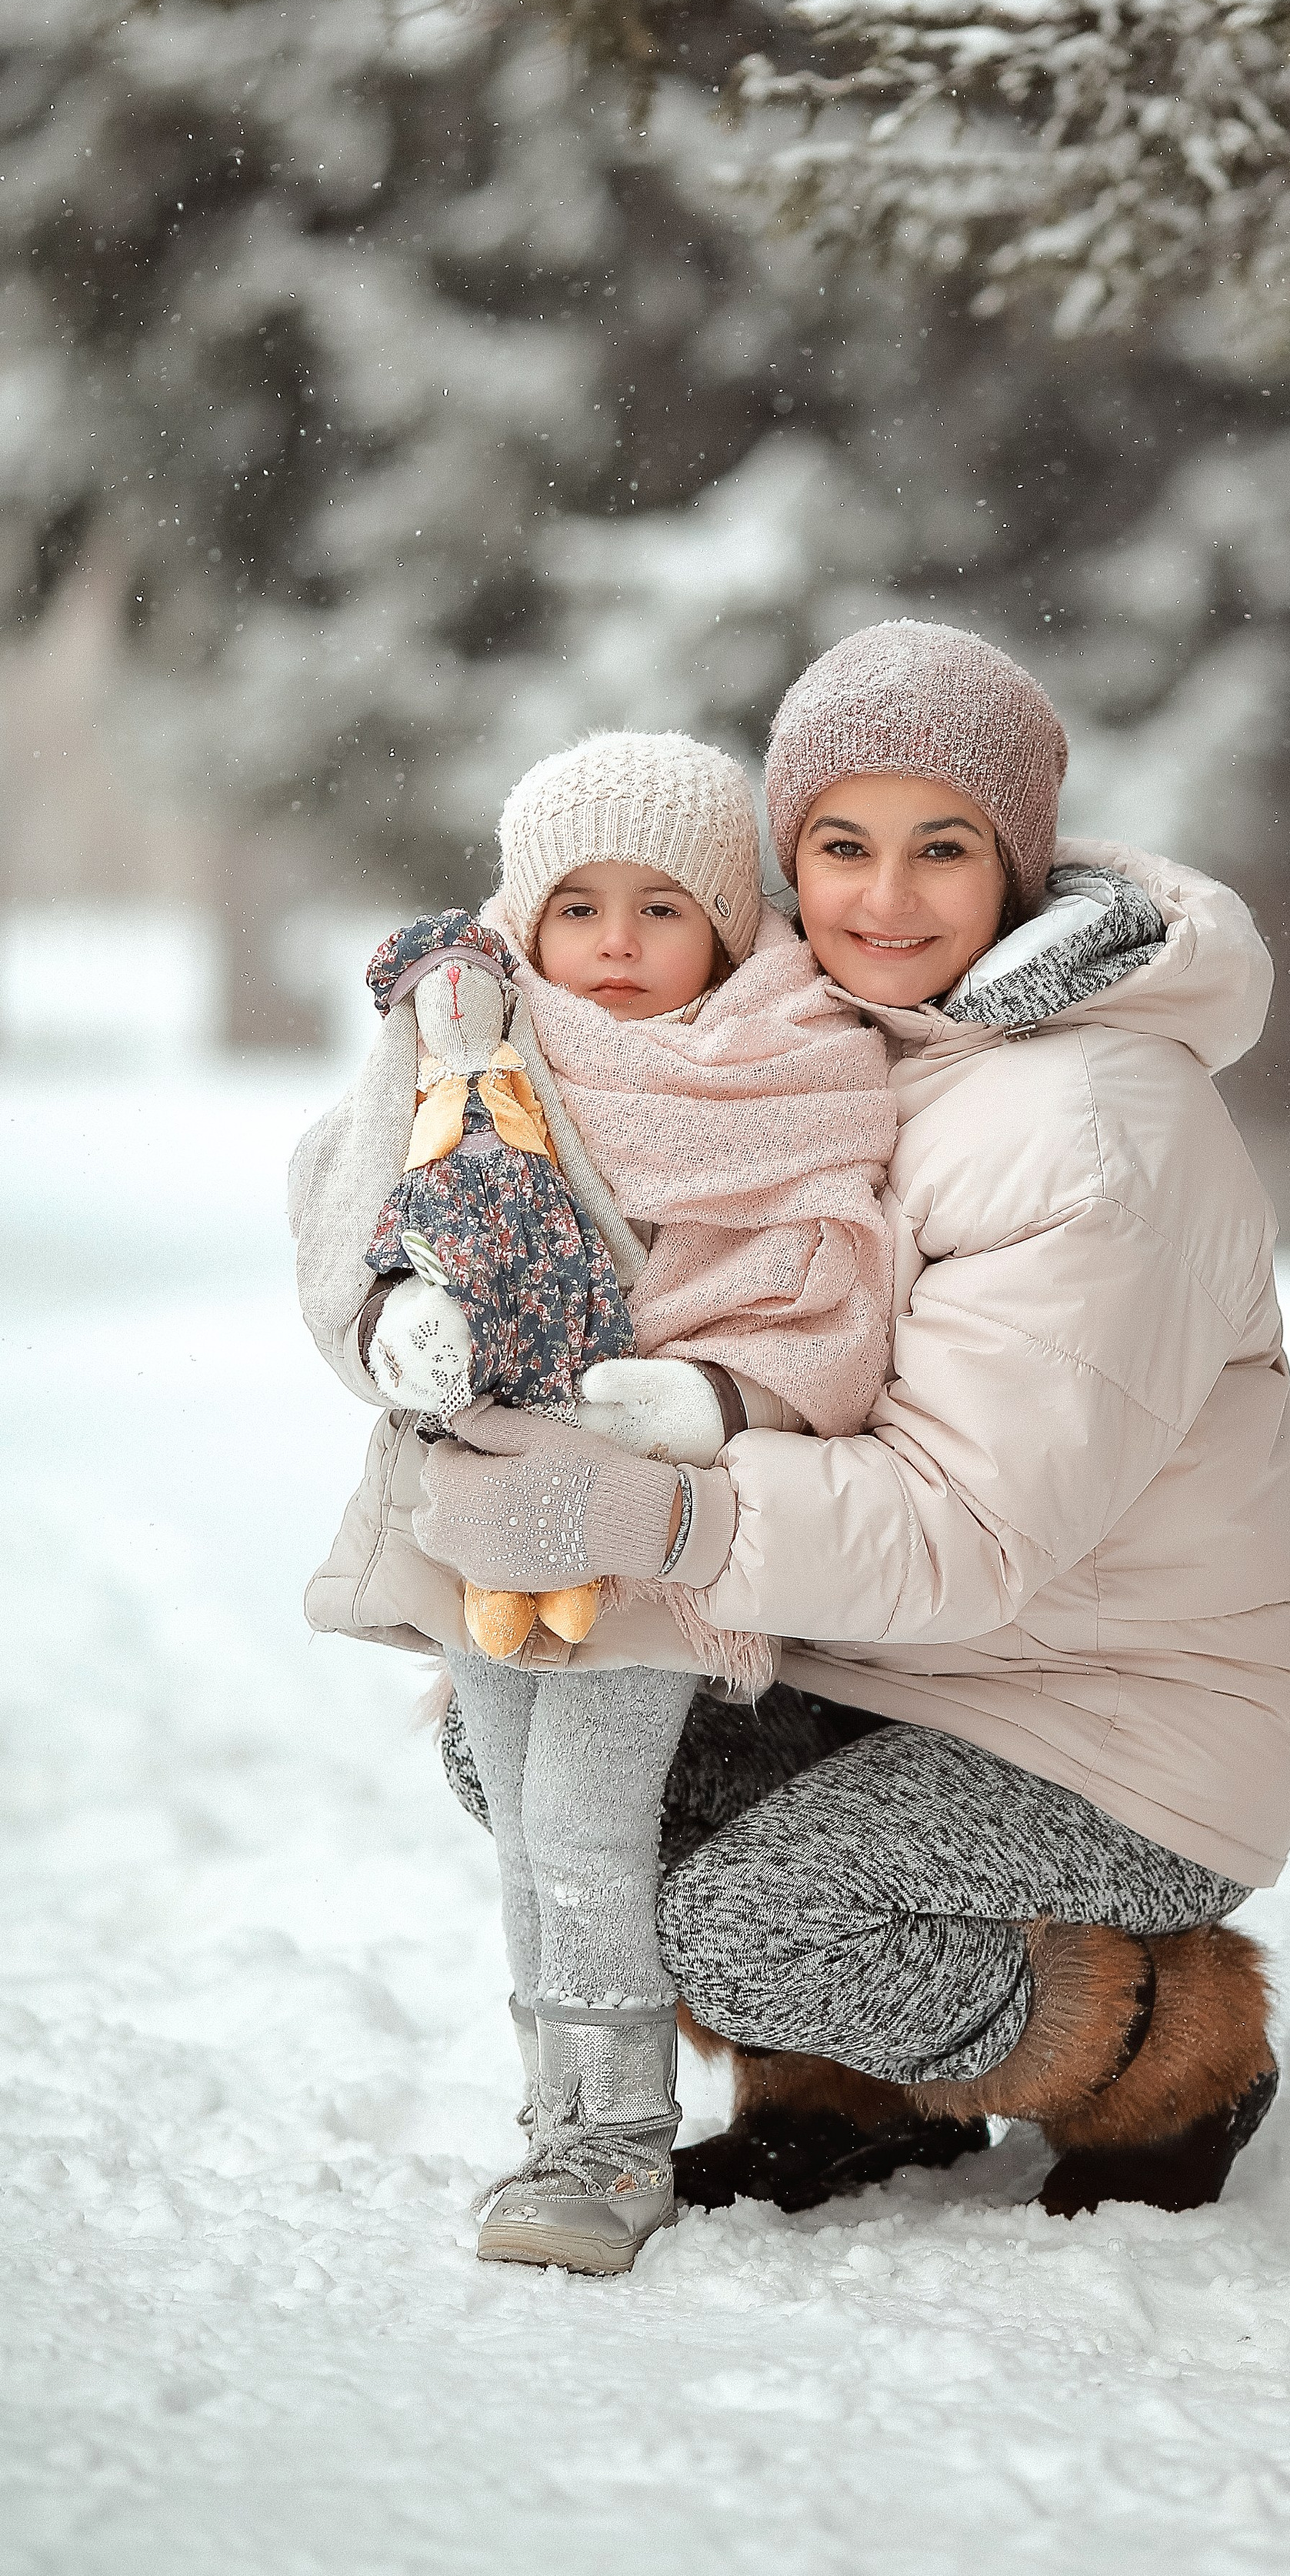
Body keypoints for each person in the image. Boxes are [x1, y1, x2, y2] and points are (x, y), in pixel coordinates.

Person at [414, 624, 1290, 2221]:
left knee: (748, 1926)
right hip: (916, 1664)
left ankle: (1162, 2052)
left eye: (943, 850)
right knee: (531, 1742)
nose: (884, 901)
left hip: (1122, 1724)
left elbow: (970, 1531)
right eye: (840, 848)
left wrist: (665, 1518)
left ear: (1019, 870)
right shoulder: (823, 1056)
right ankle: (849, 2099)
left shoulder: (1086, 1126)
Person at [288, 730, 895, 2273]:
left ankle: (614, 2149)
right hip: (477, 1518)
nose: (614, 945)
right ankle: (552, 2109)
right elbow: (356, 1219)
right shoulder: (475, 1064)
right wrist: (393, 1329)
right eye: (576, 908)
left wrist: (709, 1395)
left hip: (655, 1540)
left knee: (581, 1824)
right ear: (522, 917)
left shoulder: (794, 1073)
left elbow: (828, 1306)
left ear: (727, 926)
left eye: (658, 907)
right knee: (514, 1823)